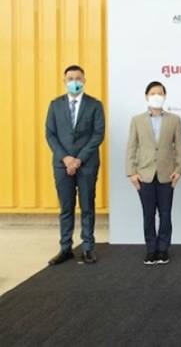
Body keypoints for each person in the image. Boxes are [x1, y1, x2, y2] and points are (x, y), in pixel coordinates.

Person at [45, 65, 105, 265]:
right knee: (66, 207)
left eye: (78, 78)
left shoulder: (95, 105)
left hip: (87, 164)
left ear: (84, 80)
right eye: (70, 78)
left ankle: (88, 247)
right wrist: (66, 158)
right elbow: (50, 134)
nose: (74, 82)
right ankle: (65, 248)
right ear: (64, 81)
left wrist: (79, 159)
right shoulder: (55, 105)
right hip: (62, 165)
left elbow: (98, 134)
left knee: (87, 206)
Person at [125, 81, 181, 265]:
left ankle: (163, 249)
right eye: (153, 93)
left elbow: (179, 146)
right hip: (144, 174)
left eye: (160, 93)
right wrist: (131, 172)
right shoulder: (137, 120)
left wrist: (179, 169)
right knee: (148, 214)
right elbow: (131, 147)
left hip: (167, 174)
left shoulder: (174, 119)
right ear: (146, 96)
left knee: (165, 214)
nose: (156, 96)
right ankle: (151, 249)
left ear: (165, 96)